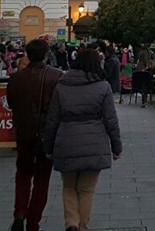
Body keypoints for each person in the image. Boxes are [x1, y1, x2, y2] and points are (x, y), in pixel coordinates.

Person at [43, 47, 122, 231]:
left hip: (66, 140)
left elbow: (52, 119)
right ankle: (82, 226)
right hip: (94, 142)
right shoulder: (103, 86)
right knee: (86, 190)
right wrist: (116, 147)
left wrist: (49, 147)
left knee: (69, 186)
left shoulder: (62, 85)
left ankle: (71, 222)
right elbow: (111, 120)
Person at [6, 39, 63, 231]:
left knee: (22, 174)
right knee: (42, 178)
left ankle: (19, 212)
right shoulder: (56, 76)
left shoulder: (16, 78)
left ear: (27, 55)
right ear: (47, 54)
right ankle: (33, 221)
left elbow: (11, 103)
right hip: (46, 135)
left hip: (23, 132)